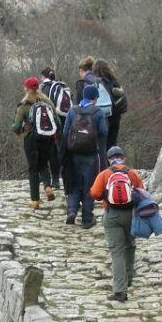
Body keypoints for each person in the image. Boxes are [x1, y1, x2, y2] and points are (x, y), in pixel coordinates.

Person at [89, 146, 144, 301]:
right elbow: (142, 191)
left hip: (112, 215)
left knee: (117, 252)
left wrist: (105, 196)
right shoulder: (132, 173)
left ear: (109, 160)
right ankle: (129, 275)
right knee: (130, 244)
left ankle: (120, 290)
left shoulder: (105, 174)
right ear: (123, 158)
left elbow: (94, 193)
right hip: (130, 214)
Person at [62, 84, 107, 229]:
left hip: (73, 154)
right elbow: (104, 132)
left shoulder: (72, 111)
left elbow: (65, 132)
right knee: (89, 185)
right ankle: (87, 218)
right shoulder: (98, 112)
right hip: (91, 154)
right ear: (95, 98)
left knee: (74, 183)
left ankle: (72, 211)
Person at [12, 77, 57, 209]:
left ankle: (35, 200)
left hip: (31, 139)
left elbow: (16, 126)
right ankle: (48, 187)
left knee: (33, 168)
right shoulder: (47, 102)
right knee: (43, 165)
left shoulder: (24, 104)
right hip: (47, 138)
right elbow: (57, 121)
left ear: (26, 88)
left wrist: (21, 130)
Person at [39, 67, 68, 190]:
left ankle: (45, 179)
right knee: (55, 151)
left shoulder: (43, 88)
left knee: (44, 151)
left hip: (46, 124)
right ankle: (56, 179)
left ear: (43, 76)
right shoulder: (61, 86)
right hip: (60, 122)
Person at [93, 59, 126, 149]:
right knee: (112, 143)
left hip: (101, 116)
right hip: (115, 116)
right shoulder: (114, 82)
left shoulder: (95, 83)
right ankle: (113, 157)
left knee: (101, 144)